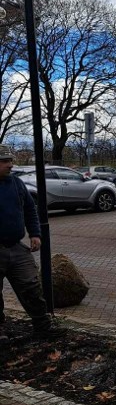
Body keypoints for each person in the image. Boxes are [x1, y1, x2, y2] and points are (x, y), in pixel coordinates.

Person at [0, 144, 61, 337]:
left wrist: (35, 233)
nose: (10, 165)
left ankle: (43, 327)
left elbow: (29, 209)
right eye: (4, 161)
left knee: (31, 286)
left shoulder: (16, 184)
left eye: (10, 160)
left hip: (17, 247)